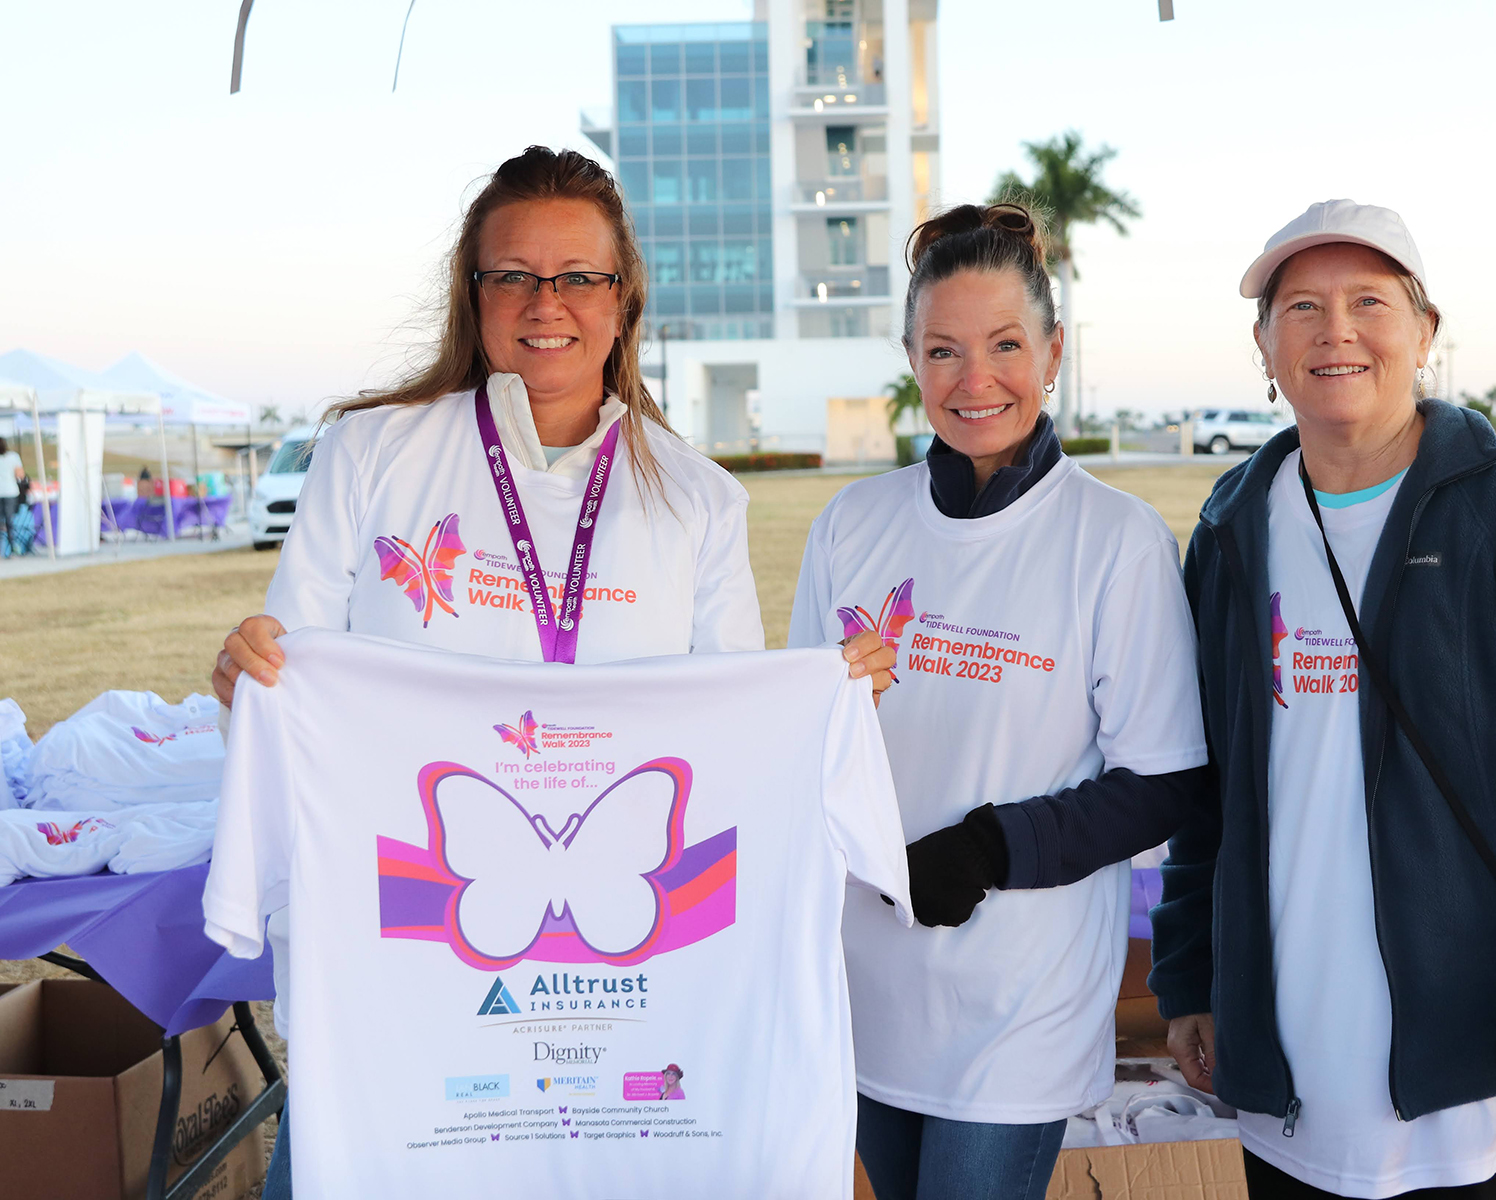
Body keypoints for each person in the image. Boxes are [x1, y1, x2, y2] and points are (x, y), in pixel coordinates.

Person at [210, 146, 896, 1200]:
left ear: (623, 301)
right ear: (472, 294)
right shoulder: (369, 456)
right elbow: (293, 706)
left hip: (630, 990)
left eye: (580, 275)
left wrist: (817, 712)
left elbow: (729, 762)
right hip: (412, 985)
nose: (548, 302)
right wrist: (250, 679)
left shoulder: (697, 501)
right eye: (514, 275)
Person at [1150, 200, 1496, 1200]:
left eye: (1369, 302)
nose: (1334, 330)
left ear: (1424, 333)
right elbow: (1205, 793)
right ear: (1264, 346)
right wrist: (1191, 979)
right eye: (1300, 306)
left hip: (1465, 1088)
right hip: (1287, 1085)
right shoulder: (1231, 526)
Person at [789, 204, 1208, 1200]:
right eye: (943, 351)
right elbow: (801, 742)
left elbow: (1162, 784)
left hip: (1018, 1004)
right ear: (910, 359)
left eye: (1006, 345)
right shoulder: (853, 524)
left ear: (1053, 350)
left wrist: (987, 849)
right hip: (870, 987)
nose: (975, 381)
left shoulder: (1117, 540)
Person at [0, 438, 21, 557]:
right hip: (10, 492)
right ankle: (12, 547)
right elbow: (20, 475)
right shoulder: (13, 457)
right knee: (9, 521)